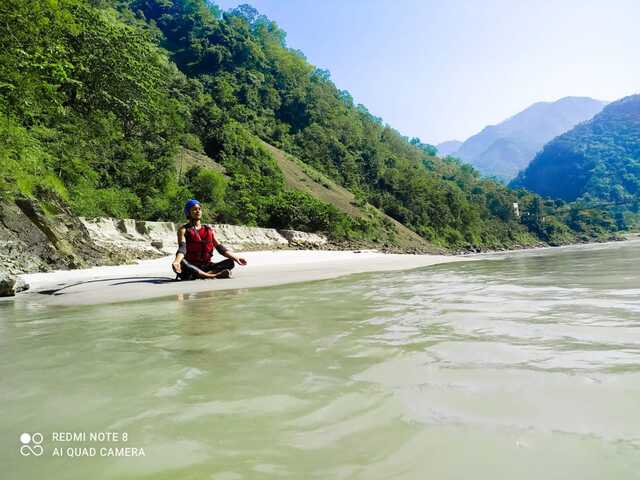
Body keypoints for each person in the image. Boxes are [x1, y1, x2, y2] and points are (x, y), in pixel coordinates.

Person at [172, 199, 247, 280]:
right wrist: (177, 261)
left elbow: (220, 248)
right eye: (194, 209)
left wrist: (236, 257)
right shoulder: (183, 230)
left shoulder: (209, 230)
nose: (198, 211)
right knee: (182, 262)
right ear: (188, 212)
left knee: (230, 262)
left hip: (206, 266)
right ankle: (213, 275)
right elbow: (182, 248)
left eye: (199, 209)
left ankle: (205, 275)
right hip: (191, 267)